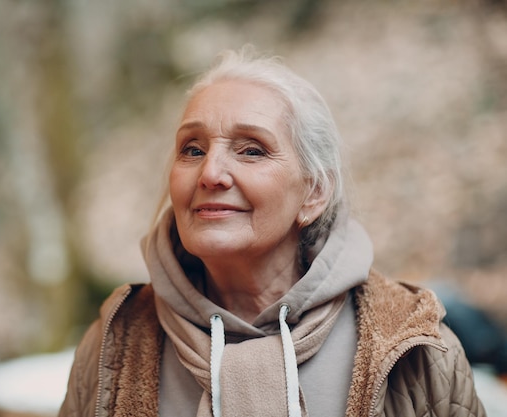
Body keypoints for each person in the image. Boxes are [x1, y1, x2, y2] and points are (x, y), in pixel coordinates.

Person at [59, 47, 486, 417]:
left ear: (314, 193)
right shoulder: (116, 341)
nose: (211, 172)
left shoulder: (415, 346)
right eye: (193, 149)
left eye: (251, 150)